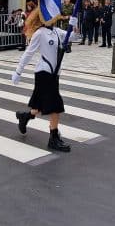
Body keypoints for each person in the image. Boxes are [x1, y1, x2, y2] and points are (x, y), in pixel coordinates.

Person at [11, 10, 74, 152]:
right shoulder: (40, 33)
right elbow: (28, 53)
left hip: (54, 74)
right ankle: (53, 138)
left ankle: (25, 117)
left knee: (40, 105)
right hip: (44, 73)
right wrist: (18, 71)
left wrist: (74, 25)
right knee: (55, 105)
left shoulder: (57, 31)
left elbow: (73, 37)